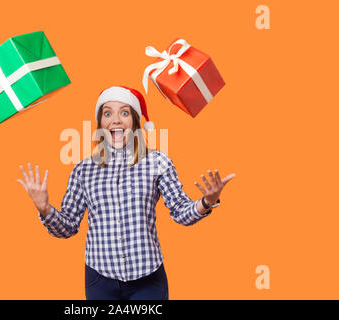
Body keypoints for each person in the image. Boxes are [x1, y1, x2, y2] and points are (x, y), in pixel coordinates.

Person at [17, 85, 236, 300]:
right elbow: (67, 228)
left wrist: (207, 202)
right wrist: (45, 209)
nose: (116, 120)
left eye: (124, 112)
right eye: (107, 113)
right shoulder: (83, 170)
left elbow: (181, 212)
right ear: (101, 123)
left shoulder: (157, 163)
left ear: (135, 121)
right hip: (99, 279)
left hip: (148, 279)